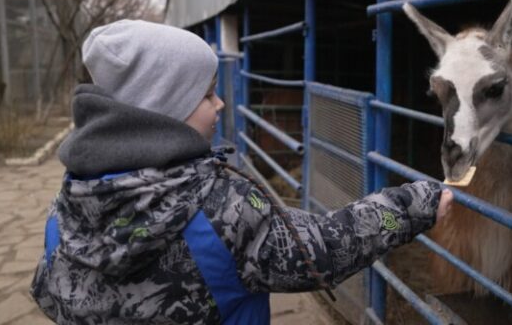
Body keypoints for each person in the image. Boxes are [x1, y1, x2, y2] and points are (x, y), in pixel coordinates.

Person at [30, 20, 452, 324]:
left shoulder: (67, 209)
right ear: (166, 109)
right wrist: (416, 203)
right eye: (208, 94)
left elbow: (52, 296)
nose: (222, 104)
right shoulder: (222, 210)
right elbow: (325, 248)